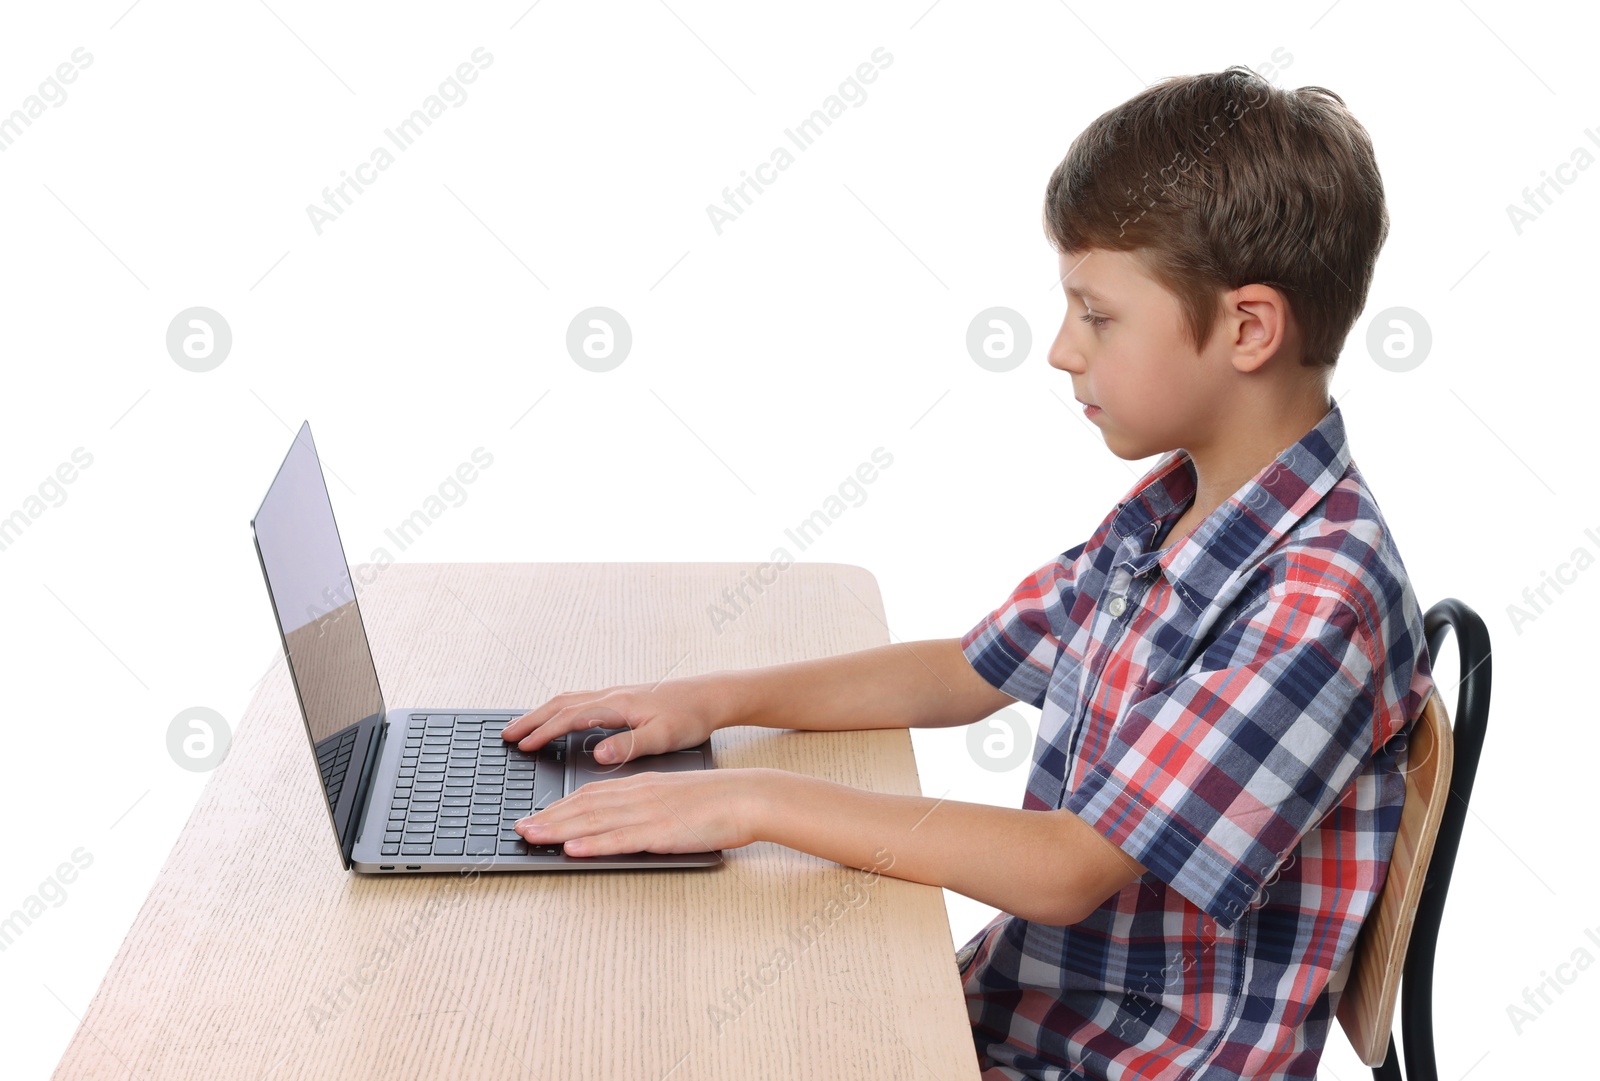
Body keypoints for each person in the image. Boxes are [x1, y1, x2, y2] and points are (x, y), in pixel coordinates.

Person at [499, 64, 1434, 1081]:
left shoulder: (1317, 598)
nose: (1059, 349)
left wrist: (754, 801)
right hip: (1016, 1018)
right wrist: (711, 702)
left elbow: (1068, 867)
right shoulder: (1175, 511)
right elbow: (968, 668)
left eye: (1098, 314)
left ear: (1249, 329)